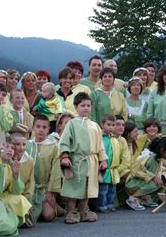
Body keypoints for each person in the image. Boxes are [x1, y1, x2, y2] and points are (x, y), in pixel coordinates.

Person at [59, 92, 107, 224]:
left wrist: (103, 159)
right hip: (77, 160)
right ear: (76, 107)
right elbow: (64, 141)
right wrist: (65, 156)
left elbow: (100, 145)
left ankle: (84, 209)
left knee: (88, 186)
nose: (86, 108)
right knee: (74, 185)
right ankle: (72, 210)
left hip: (91, 160)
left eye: (88, 105)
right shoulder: (72, 124)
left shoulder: (95, 126)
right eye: (82, 105)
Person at [125, 137, 166, 210]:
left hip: (141, 182)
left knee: (162, 181)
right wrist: (153, 177)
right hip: (132, 183)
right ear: (162, 150)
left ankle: (143, 198)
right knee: (157, 183)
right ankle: (133, 198)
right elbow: (137, 171)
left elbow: (154, 170)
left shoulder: (157, 159)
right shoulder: (149, 157)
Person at [28, 115, 63, 222]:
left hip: (44, 188)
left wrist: (50, 192)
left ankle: (56, 207)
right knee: (28, 216)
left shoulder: (54, 146)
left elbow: (56, 172)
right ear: (33, 128)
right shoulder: (26, 145)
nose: (41, 130)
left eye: (44, 127)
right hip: (30, 189)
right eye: (38, 127)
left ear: (48, 129)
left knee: (48, 216)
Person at [97, 115, 121, 213]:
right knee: (103, 189)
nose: (111, 127)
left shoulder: (114, 139)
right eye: (108, 124)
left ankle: (110, 204)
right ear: (102, 125)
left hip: (113, 169)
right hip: (104, 168)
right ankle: (102, 205)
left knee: (112, 189)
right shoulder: (100, 138)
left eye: (113, 125)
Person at [11, 131, 35, 201]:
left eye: (24, 144)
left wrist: (25, 200)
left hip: (23, 198)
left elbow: (30, 183)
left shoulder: (29, 161)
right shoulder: (6, 160)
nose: (21, 148)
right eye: (18, 144)